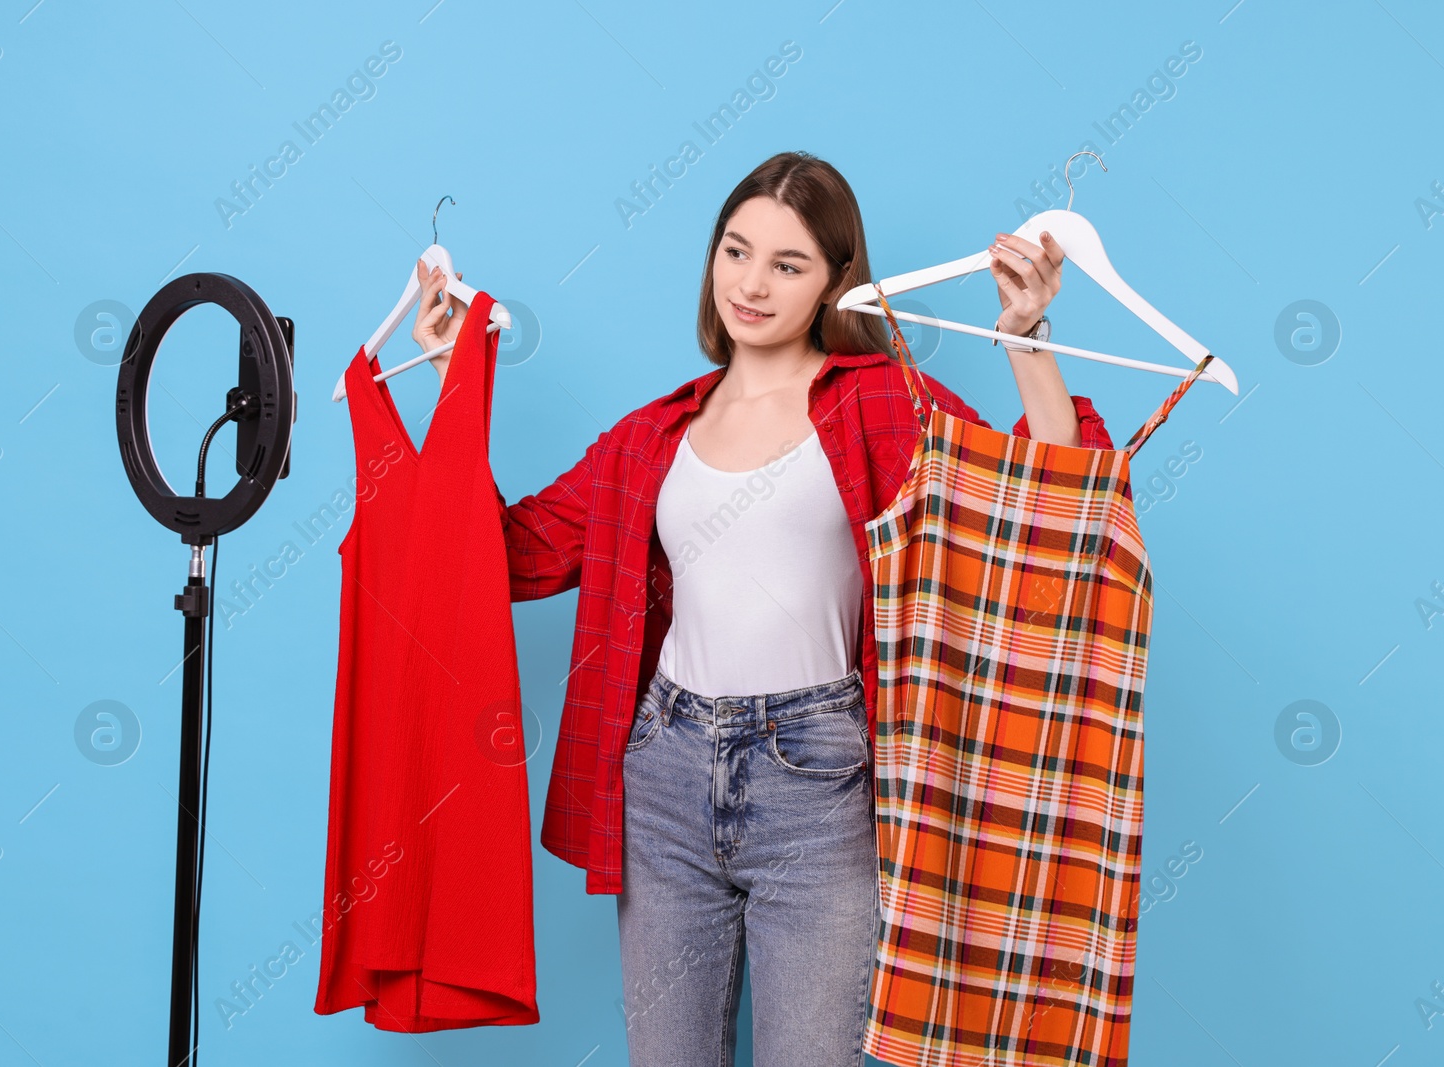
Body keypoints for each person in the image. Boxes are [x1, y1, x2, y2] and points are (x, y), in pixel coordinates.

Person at [410, 151, 1114, 1066]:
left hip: (820, 784)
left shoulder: (881, 405)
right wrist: (450, 385)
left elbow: (1043, 504)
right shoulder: (652, 436)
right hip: (663, 778)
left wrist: (1026, 337)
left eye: (788, 264)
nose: (752, 283)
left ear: (834, 282)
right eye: (737, 252)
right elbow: (506, 555)